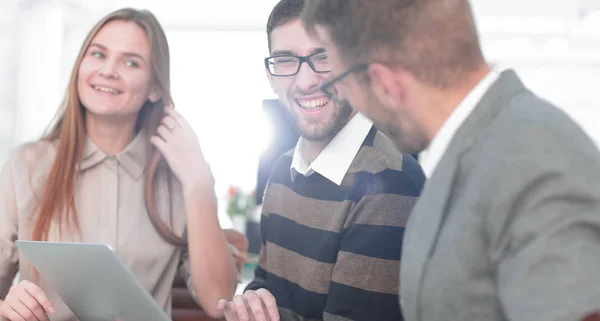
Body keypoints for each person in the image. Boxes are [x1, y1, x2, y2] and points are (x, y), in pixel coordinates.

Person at [301, 1, 600, 321]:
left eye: (341, 85)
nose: (345, 99)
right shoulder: (468, 151)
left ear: (384, 83)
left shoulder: (537, 163)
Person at [0, 8, 238, 321]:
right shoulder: (25, 166)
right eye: (98, 54)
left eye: (130, 62)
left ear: (155, 87)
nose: (109, 70)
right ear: (80, 67)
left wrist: (198, 184)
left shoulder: (179, 178)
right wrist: (8, 307)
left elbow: (218, 300)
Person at [217, 1, 425, 321]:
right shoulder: (283, 169)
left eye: (323, 56)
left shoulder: (391, 184)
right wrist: (250, 304)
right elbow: (263, 284)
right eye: (286, 61)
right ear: (271, 76)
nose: (304, 81)